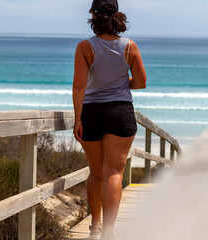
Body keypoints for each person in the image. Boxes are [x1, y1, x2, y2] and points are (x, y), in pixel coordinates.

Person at [72, 0, 146, 239]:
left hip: (92, 113)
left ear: (93, 15)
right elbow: (142, 82)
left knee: (96, 173)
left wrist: (77, 120)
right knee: (114, 173)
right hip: (120, 112)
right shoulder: (129, 46)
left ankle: (95, 227)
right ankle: (110, 233)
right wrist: (123, 83)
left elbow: (79, 86)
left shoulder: (85, 47)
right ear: (118, 15)